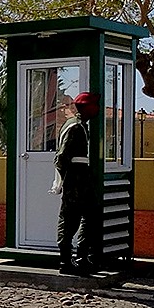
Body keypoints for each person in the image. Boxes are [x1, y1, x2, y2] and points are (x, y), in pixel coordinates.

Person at [54, 91, 101, 275]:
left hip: (83, 181)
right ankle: (66, 261)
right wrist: (67, 180)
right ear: (88, 108)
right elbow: (61, 157)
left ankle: (81, 257)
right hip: (75, 182)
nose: (97, 109)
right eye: (95, 106)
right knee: (69, 220)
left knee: (91, 216)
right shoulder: (75, 127)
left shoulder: (80, 125)